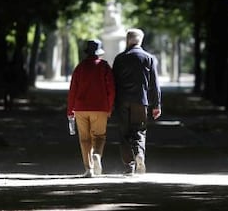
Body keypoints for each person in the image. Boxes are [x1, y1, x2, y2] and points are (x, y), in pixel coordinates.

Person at [112, 28, 162, 175]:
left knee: (124, 132)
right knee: (139, 130)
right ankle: (139, 153)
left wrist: (111, 102)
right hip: (141, 100)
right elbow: (154, 83)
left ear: (128, 40)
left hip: (122, 100)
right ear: (140, 40)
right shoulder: (148, 58)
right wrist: (156, 104)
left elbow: (113, 82)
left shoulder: (120, 58)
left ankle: (129, 165)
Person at [67, 39, 115, 178]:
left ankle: (89, 169)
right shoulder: (104, 67)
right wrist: (109, 107)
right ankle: (96, 155)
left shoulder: (80, 67)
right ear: (99, 53)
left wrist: (70, 111)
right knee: (99, 136)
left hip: (81, 108)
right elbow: (111, 89)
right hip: (100, 108)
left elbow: (72, 90)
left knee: (84, 139)